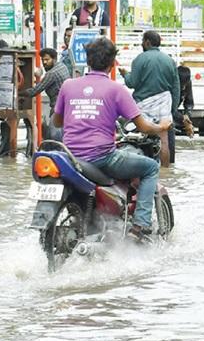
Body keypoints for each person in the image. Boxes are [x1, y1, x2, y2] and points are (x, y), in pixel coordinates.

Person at [52, 38, 172, 239]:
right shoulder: (117, 90)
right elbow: (143, 126)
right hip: (101, 158)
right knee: (151, 167)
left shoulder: (68, 85)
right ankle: (140, 225)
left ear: (88, 61)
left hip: (70, 157)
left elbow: (57, 122)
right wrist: (162, 126)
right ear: (112, 63)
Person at [119, 30, 180, 166]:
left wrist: (125, 74)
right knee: (164, 140)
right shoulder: (170, 61)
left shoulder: (139, 59)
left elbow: (131, 83)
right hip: (164, 102)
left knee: (139, 139)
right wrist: (173, 109)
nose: (141, 43)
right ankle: (166, 172)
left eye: (142, 41)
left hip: (143, 104)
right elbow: (176, 88)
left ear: (147, 42)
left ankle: (142, 169)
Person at [20, 48, 70, 141]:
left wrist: (18, 93)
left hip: (58, 108)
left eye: (47, 60)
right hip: (67, 107)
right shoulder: (62, 66)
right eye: (43, 60)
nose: (44, 63)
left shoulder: (51, 74)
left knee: (54, 136)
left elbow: (35, 91)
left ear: (54, 59)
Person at [170, 65, 196, 164]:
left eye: (185, 84)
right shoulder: (170, 85)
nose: (183, 87)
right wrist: (184, 120)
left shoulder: (187, 83)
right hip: (166, 113)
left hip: (175, 112)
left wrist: (187, 116)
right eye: (181, 85)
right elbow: (170, 110)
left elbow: (189, 102)